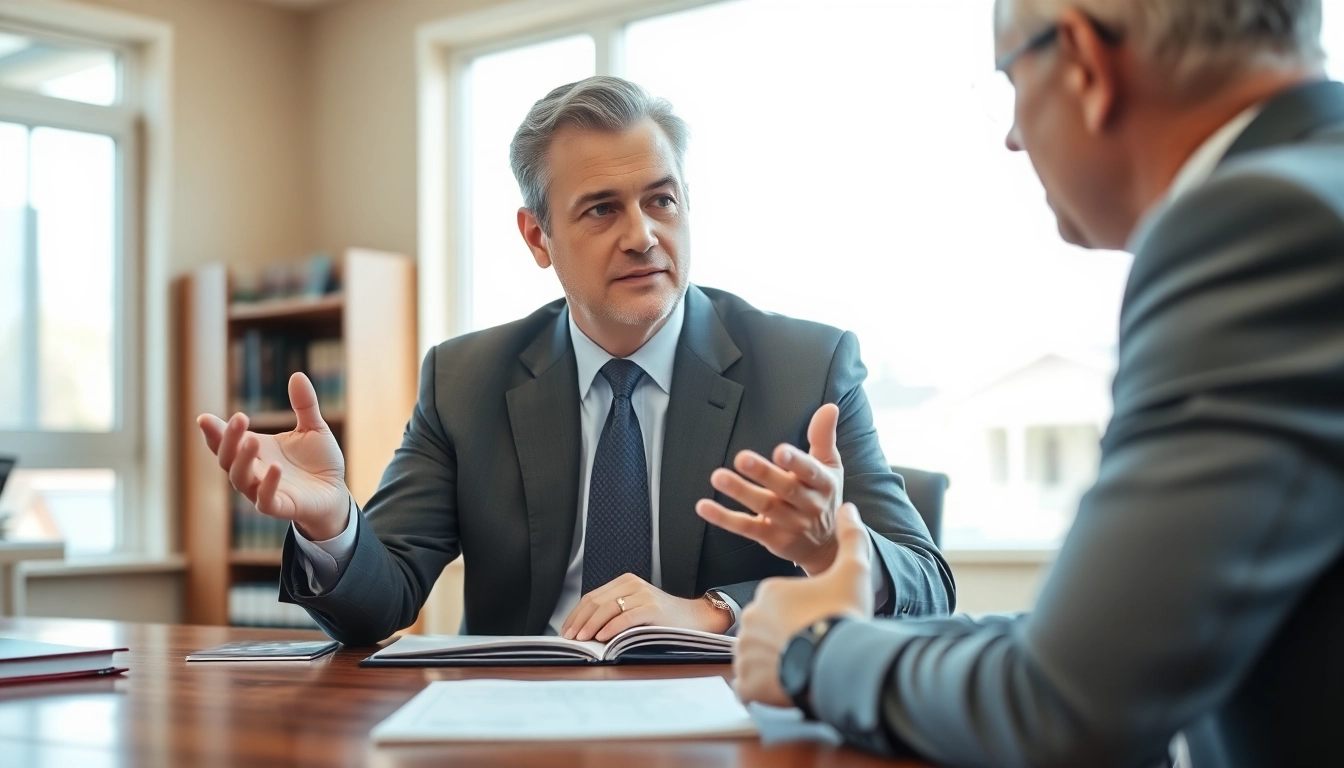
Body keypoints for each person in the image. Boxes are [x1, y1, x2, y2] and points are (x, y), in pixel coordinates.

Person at [721, 1, 1344, 766]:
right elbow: (1109, 643)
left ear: (1083, 61)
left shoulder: (1261, 228)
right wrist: (865, 637)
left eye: (1009, 82)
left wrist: (814, 651)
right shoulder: (1314, 193)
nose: (1014, 137)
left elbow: (1066, 709)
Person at [197, 76, 954, 646]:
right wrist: (333, 525)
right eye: (601, 209)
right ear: (536, 238)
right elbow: (378, 605)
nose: (642, 236)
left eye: (662, 202)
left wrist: (722, 608)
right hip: (515, 726)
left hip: (731, 716)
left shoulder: (806, 366)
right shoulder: (464, 381)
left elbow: (929, 586)